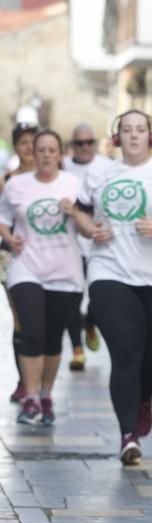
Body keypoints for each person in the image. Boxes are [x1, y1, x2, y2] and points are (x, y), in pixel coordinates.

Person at [64, 109, 152, 464]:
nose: (134, 136)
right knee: (125, 352)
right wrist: (90, 229)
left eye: (141, 130)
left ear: (151, 136)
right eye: (127, 130)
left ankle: (143, 399)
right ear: (117, 136)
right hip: (110, 271)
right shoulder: (100, 172)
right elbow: (80, 211)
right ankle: (128, 435)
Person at [0, 130, 84, 425]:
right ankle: (31, 398)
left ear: (60, 154)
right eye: (41, 150)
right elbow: (4, 219)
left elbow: (89, 225)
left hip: (65, 271)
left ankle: (46, 395)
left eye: (52, 150)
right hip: (26, 268)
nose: (46, 154)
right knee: (32, 329)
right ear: (32, 154)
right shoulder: (16, 185)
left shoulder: (75, 184)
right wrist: (10, 238)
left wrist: (74, 212)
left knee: (52, 338)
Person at [62, 124, 111, 372]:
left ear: (95, 142)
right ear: (72, 146)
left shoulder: (107, 166)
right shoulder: (64, 168)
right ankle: (77, 350)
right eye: (79, 143)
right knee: (72, 298)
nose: (84, 147)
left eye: (89, 142)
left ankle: (91, 320)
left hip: (99, 244)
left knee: (99, 298)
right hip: (70, 243)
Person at [3, 123, 38, 403]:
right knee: (21, 318)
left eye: (33, 142)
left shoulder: (52, 178)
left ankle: (36, 380)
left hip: (48, 254)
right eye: (23, 143)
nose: (29, 148)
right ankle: (24, 381)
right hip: (13, 253)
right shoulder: (7, 180)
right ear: (16, 147)